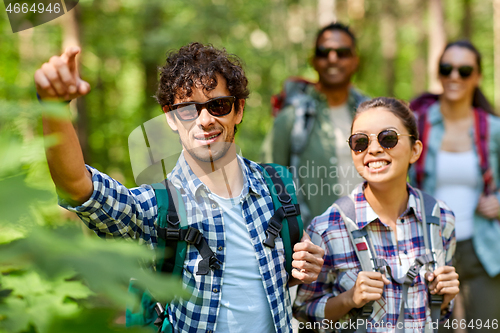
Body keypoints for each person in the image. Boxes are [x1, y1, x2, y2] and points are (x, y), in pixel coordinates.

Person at [34, 42, 325, 333]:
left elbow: (275, 279)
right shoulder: (155, 208)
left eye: (218, 105)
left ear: (239, 110)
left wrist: (302, 268)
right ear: (171, 117)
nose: (205, 120)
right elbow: (77, 186)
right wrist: (54, 107)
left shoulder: (277, 186)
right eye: (188, 110)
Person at [293, 97, 458, 332]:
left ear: (415, 150)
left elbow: (437, 315)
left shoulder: (442, 219)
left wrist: (445, 299)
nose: (373, 149)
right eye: (360, 141)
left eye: (388, 138)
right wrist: (349, 299)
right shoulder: (327, 229)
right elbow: (304, 314)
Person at [410, 40, 500, 331]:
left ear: (477, 76)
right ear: (438, 73)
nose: (454, 77)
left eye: (464, 70)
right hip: (427, 252)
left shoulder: (492, 128)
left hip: (482, 252)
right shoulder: (416, 124)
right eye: (447, 68)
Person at [262, 22, 369, 226]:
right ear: (313, 61)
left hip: (369, 238)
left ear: (356, 61)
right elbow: (268, 183)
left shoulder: (371, 115)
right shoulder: (291, 118)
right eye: (323, 52)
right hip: (312, 243)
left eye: (342, 52)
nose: (332, 58)